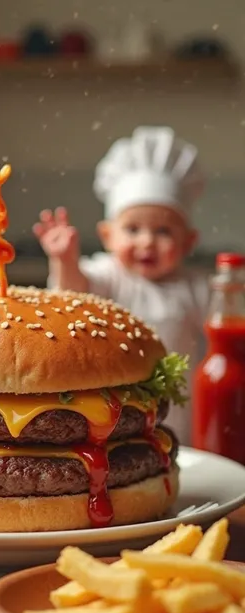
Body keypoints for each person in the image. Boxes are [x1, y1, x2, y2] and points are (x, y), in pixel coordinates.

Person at [33, 126, 209, 445]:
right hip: (115, 407)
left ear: (188, 242)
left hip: (182, 412)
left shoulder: (195, 286)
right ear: (107, 236)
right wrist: (64, 259)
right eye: (133, 229)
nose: (147, 242)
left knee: (174, 448)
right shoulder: (107, 274)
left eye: (164, 232)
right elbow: (72, 294)